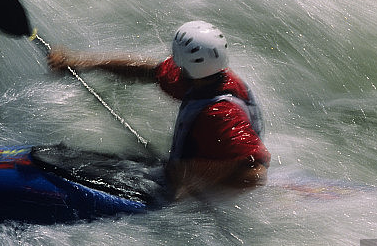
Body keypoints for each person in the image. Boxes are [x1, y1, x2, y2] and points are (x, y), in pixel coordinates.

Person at [47, 20, 270, 199]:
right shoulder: (202, 78)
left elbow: (255, 173)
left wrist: (195, 179)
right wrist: (81, 62)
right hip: (181, 175)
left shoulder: (222, 115)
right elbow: (147, 71)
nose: (172, 63)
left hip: (203, 199)